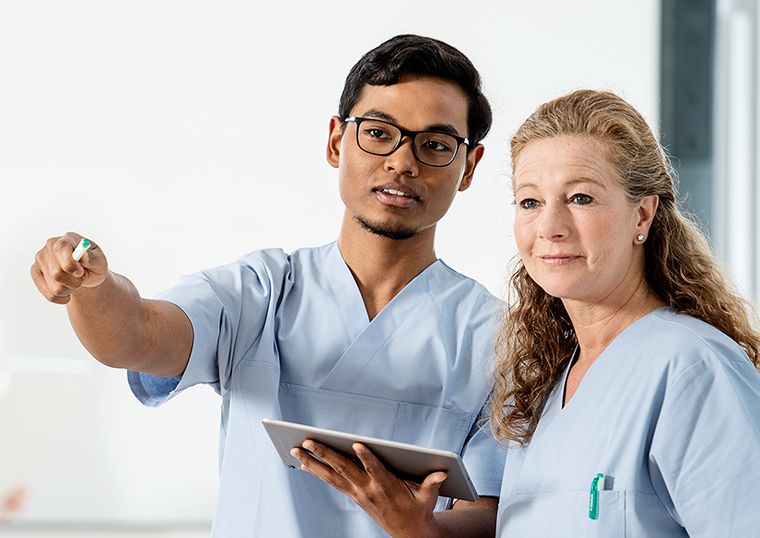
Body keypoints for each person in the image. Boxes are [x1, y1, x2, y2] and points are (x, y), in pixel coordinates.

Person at [30, 34, 506, 537]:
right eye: (379, 132)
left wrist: (422, 529)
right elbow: (136, 334)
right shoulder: (261, 291)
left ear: (468, 166)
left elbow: (495, 509)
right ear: (335, 142)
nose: (403, 162)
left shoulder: (497, 337)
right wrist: (93, 285)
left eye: (434, 145)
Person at [489, 89, 760, 536]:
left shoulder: (690, 365)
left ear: (642, 215)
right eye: (530, 202)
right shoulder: (547, 384)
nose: (550, 227)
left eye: (580, 198)